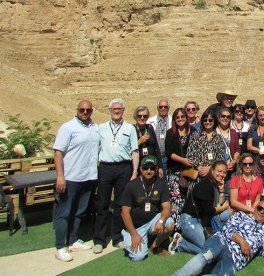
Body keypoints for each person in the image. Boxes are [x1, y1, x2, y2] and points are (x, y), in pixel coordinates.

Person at [173, 200, 264, 276]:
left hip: (235, 259)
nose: (262, 212)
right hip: (222, 242)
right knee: (206, 255)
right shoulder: (241, 215)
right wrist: (242, 241)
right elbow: (227, 230)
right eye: (260, 208)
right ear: (255, 208)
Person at [53, 100, 100, 262]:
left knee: (79, 212)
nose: (85, 112)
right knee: (64, 213)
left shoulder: (95, 128)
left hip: (88, 178)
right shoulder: (68, 128)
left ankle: (72, 240)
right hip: (70, 178)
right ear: (77, 110)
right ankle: (60, 246)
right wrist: (60, 176)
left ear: (92, 111)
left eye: (88, 110)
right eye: (82, 109)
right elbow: (58, 152)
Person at [94, 98, 139, 254]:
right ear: (110, 110)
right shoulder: (101, 128)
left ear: (123, 110)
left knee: (120, 204)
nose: (117, 111)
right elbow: (95, 148)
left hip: (124, 168)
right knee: (102, 203)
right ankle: (99, 239)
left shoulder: (129, 129)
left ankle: (117, 237)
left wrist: (134, 172)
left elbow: (135, 151)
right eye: (114, 109)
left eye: (119, 109)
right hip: (106, 167)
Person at [170, 161, 231, 254]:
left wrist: (222, 191)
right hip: (189, 220)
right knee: (209, 249)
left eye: (224, 172)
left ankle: (187, 238)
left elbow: (218, 204)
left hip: (200, 221)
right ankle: (180, 244)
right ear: (212, 170)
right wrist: (223, 208)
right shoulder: (206, 184)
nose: (222, 174)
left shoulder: (215, 184)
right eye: (219, 171)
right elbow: (209, 210)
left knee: (212, 248)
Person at [120, 156, 174, 260]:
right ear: (140, 169)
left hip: (153, 222)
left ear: (156, 169)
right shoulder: (131, 185)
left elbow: (167, 207)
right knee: (138, 257)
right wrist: (134, 234)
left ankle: (155, 245)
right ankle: (128, 237)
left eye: (152, 168)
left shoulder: (161, 183)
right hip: (135, 227)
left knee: (170, 223)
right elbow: (124, 213)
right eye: (146, 168)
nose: (149, 171)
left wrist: (161, 221)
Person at [165, 108, 196, 231]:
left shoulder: (193, 131)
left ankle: (187, 226)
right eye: (177, 117)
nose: (180, 119)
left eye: (183, 116)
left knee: (188, 198)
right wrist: (182, 160)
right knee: (176, 200)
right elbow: (169, 152)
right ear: (174, 119)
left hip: (189, 172)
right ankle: (177, 227)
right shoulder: (170, 133)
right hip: (175, 171)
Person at [185, 109, 226, 189]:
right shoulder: (195, 135)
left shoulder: (218, 138)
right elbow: (190, 154)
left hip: (212, 175)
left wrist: (210, 168)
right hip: (197, 175)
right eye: (205, 120)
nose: (207, 122)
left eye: (210, 120)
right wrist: (198, 167)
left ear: (214, 122)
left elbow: (220, 157)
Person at [133, 106, 162, 178]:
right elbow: (128, 149)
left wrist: (160, 166)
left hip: (151, 164)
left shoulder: (150, 127)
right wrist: (139, 142)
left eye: (145, 116)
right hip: (138, 164)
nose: (142, 118)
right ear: (135, 116)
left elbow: (156, 148)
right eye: (139, 116)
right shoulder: (132, 129)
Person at [147, 98, 172, 176]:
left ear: (168, 108)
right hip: (155, 158)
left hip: (169, 158)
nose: (163, 108)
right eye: (161, 107)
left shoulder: (173, 121)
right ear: (157, 108)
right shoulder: (150, 122)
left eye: (165, 107)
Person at [216, 108, 241, 174]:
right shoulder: (214, 132)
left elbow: (237, 149)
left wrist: (234, 161)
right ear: (219, 118)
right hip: (217, 168)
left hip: (230, 168)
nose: (225, 118)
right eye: (223, 116)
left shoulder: (233, 132)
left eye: (228, 117)